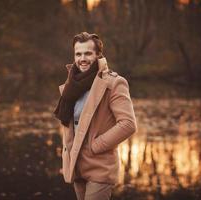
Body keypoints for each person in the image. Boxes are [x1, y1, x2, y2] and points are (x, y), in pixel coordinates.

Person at [53, 32, 137, 200]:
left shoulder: (114, 83)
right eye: (78, 54)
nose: (82, 58)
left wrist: (95, 146)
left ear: (98, 55)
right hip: (76, 165)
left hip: (100, 166)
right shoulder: (72, 84)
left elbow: (128, 124)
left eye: (88, 53)